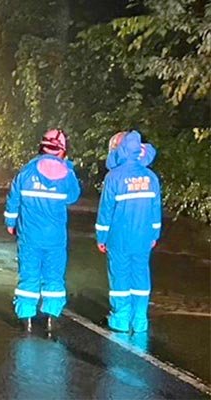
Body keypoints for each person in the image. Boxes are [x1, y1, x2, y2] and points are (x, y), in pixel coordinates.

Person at [5, 129, 81, 332]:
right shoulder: (67, 175)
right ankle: (51, 317)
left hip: (29, 235)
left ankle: (26, 318)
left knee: (28, 275)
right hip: (55, 237)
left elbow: (13, 201)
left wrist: (11, 223)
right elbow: (73, 197)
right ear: (62, 150)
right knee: (54, 276)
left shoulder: (26, 173)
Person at [95, 130, 161, 333]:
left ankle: (120, 320)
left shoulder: (114, 177)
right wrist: (154, 235)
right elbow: (155, 209)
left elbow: (106, 211)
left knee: (120, 277)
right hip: (143, 238)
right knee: (141, 276)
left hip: (119, 238)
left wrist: (101, 237)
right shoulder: (151, 177)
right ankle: (140, 320)